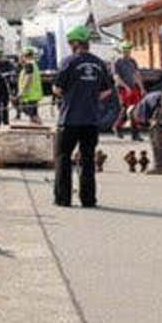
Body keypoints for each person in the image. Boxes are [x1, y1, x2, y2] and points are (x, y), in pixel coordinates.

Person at [52, 25, 114, 208]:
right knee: (87, 159)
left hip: (69, 119)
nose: (70, 45)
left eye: (71, 42)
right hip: (90, 120)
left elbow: (57, 88)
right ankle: (88, 199)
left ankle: (63, 199)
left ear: (76, 42)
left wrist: (70, 94)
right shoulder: (99, 63)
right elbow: (106, 91)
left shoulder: (69, 62)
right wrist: (90, 95)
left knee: (62, 157)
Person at [111, 40, 145, 141]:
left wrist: (142, 88)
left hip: (133, 87)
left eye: (128, 50)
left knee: (136, 109)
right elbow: (116, 77)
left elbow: (136, 74)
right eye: (125, 51)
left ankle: (135, 134)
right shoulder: (117, 62)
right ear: (121, 51)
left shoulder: (132, 61)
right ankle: (117, 126)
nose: (127, 53)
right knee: (125, 109)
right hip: (122, 88)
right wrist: (126, 87)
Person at [17, 46, 44, 124]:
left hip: (30, 94)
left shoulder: (29, 65)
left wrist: (22, 91)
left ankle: (43, 130)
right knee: (32, 115)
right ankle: (34, 128)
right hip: (32, 94)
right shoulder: (33, 64)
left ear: (24, 56)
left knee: (33, 115)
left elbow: (28, 78)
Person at [0, 49, 17, 124]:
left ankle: (5, 121)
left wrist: (7, 74)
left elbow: (14, 71)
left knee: (4, 104)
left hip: (5, 86)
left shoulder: (8, 63)